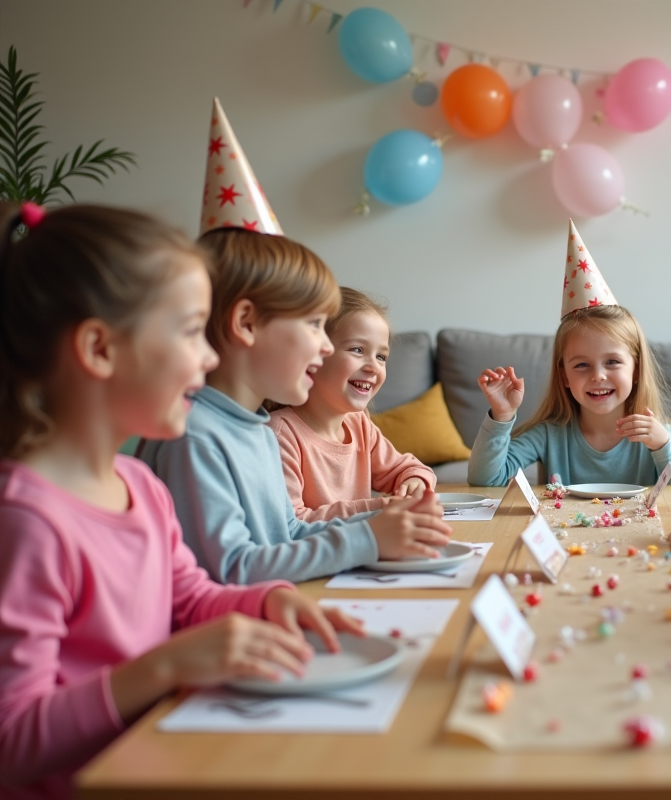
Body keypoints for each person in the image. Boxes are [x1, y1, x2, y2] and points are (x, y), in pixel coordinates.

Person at [0, 203, 362, 798]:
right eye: (192, 330)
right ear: (99, 349)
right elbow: (14, 741)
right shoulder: (28, 522)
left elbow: (190, 598)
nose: (211, 356)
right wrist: (163, 667)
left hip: (164, 750)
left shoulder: (140, 486)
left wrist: (268, 602)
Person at [139, 101, 451, 584]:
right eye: (312, 326)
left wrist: (383, 521)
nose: (325, 347)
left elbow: (286, 531)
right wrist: (370, 535)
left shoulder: (255, 429)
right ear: (246, 323)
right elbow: (230, 569)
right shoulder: (195, 435)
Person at [467, 221, 671, 487]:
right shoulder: (549, 435)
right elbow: (484, 480)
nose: (598, 376)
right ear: (563, 375)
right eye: (581, 365)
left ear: (636, 369)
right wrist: (502, 415)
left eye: (612, 362)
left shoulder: (655, 435)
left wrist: (664, 446)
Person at [268, 288, 436, 521]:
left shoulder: (359, 424)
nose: (373, 367)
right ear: (315, 355)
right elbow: (291, 523)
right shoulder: (280, 433)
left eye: (381, 357)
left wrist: (414, 481)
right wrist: (378, 508)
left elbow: (408, 468)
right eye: (357, 350)